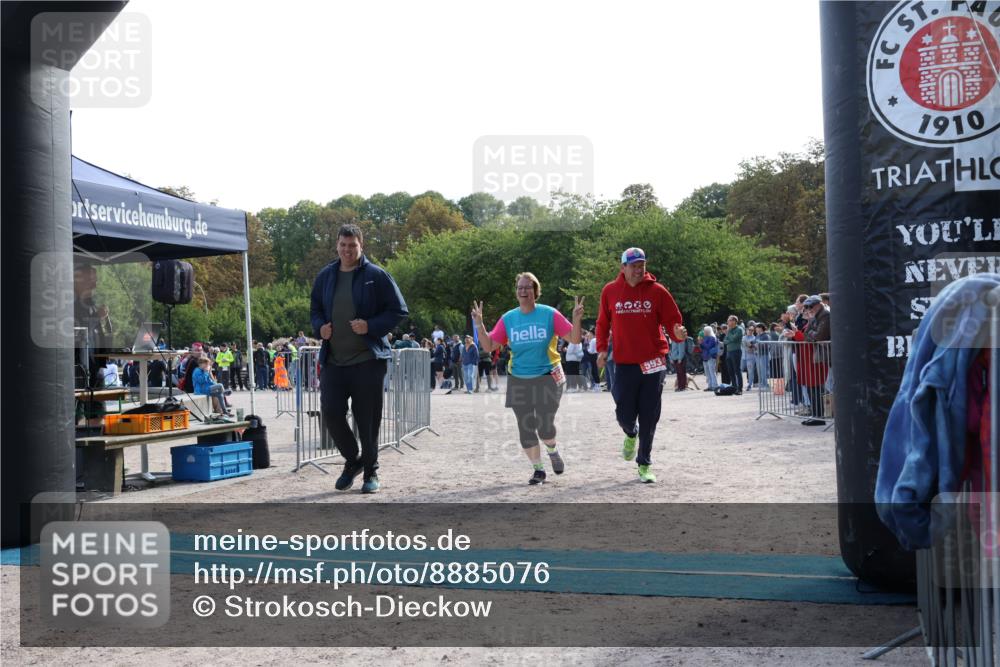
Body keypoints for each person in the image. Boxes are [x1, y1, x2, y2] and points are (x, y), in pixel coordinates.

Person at [311, 223, 408, 494]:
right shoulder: (325, 276)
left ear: (361, 246)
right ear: (337, 245)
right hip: (334, 361)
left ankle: (370, 471)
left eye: (352, 245)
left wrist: (371, 326)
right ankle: (353, 460)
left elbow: (398, 310)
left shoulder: (376, 275)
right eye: (343, 245)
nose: (347, 250)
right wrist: (319, 327)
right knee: (331, 413)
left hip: (368, 360)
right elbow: (315, 309)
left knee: (367, 420)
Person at [471, 273, 583, 485]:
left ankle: (552, 450)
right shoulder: (509, 318)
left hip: (548, 375)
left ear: (535, 291)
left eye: (527, 287)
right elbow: (489, 346)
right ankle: (538, 469)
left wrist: (576, 319)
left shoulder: (549, 314)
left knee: (544, 426)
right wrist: (479, 324)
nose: (523, 291)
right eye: (520, 287)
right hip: (519, 377)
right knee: (525, 427)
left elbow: (574, 339)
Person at [596, 247, 685, 484]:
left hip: (653, 361)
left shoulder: (657, 291)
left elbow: (673, 321)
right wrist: (602, 349)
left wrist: (677, 333)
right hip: (624, 362)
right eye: (634, 265)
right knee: (624, 413)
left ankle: (644, 463)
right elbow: (602, 323)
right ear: (623, 267)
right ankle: (630, 432)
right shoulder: (610, 291)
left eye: (642, 265)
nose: (638, 270)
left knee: (649, 414)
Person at [722, 315, 745, 394]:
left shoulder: (739, 329)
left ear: (734, 321)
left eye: (729, 320)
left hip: (736, 351)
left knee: (737, 370)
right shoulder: (729, 330)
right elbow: (725, 341)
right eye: (728, 321)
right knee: (730, 371)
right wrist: (729, 338)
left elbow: (733, 338)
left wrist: (729, 333)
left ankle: (740, 389)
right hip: (729, 352)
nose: (728, 322)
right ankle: (734, 388)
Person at [700, 325, 719, 390]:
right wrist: (701, 343)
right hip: (705, 356)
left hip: (711, 357)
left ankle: (715, 385)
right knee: (707, 373)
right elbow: (703, 347)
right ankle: (710, 386)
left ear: (708, 331)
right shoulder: (705, 338)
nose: (704, 332)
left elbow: (708, 346)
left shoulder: (712, 338)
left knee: (712, 371)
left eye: (705, 331)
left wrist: (702, 342)